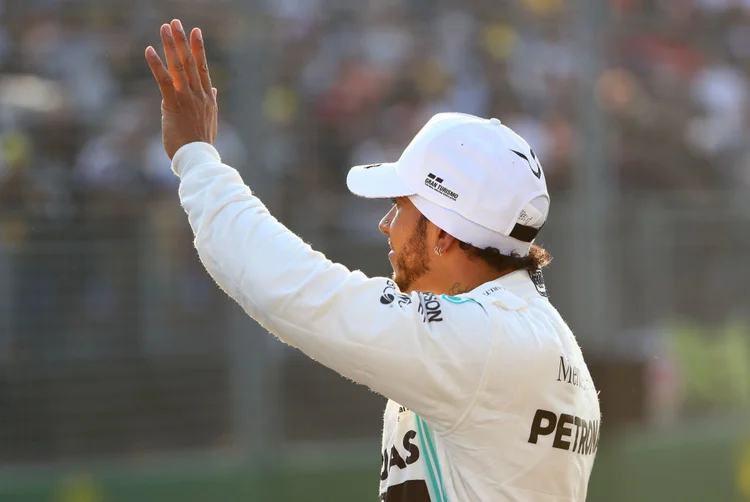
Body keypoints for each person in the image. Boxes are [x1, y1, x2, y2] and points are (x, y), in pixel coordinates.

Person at [145, 19, 601, 502]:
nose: (386, 224)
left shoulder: (484, 342)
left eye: (400, 205)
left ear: (444, 234)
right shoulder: (533, 337)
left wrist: (197, 160)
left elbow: (300, 292)